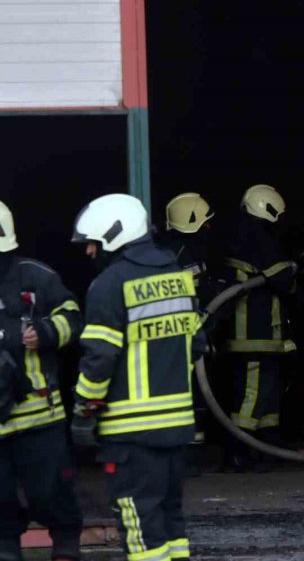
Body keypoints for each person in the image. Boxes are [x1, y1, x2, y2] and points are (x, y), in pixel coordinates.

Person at [70, 193, 207, 561]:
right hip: (178, 428)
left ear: (115, 235)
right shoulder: (178, 277)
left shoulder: (109, 285)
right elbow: (196, 345)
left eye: (93, 244)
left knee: (139, 523)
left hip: (131, 434)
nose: (89, 253)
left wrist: (84, 411)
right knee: (170, 520)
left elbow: (99, 360)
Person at [0, 200, 84, 561]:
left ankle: (66, 545)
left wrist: (47, 331)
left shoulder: (36, 276)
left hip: (38, 416)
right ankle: (5, 548)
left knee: (52, 491)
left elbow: (74, 317)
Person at [222, 185, 304, 471]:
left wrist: (296, 266)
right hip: (254, 333)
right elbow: (281, 278)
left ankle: (268, 447)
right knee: (253, 394)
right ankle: (238, 451)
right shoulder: (258, 237)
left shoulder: (244, 236)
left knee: (268, 394)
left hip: (260, 333)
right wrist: (301, 263)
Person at [158, 193, 216, 475]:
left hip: (188, 334)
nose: (209, 228)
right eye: (205, 223)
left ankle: (189, 457)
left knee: (193, 398)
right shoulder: (182, 255)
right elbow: (191, 297)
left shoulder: (178, 252)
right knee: (187, 398)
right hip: (183, 337)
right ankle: (186, 459)